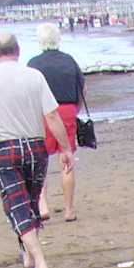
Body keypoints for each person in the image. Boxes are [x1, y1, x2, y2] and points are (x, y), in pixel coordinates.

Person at [0, 33, 70, 268]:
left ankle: (39, 259)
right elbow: (52, 115)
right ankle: (29, 257)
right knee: (30, 204)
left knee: (17, 205)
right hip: (35, 146)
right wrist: (65, 148)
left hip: (5, 147)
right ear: (18, 50)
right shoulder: (34, 75)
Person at [27, 23, 85, 224]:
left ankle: (42, 204)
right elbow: (81, 89)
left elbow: (28, 93)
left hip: (43, 113)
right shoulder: (69, 60)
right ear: (58, 39)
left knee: (40, 159)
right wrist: (75, 110)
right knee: (66, 160)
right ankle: (69, 209)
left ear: (40, 41)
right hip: (67, 109)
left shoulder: (33, 64)